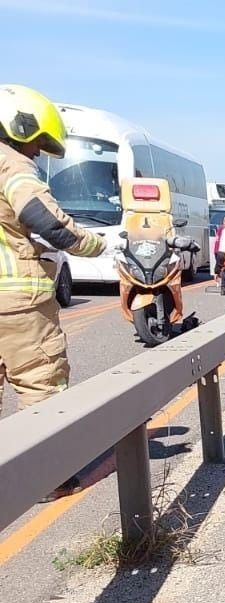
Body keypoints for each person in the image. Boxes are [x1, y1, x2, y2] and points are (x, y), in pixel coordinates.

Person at [0, 84, 107, 501]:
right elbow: (48, 222)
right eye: (37, 145)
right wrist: (97, 246)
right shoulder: (11, 167)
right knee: (41, 382)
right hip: (16, 303)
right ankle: (48, 477)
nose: (37, 155)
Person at [213, 215, 225, 295]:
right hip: (223, 252)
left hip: (217, 251)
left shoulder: (220, 228)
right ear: (224, 222)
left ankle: (223, 287)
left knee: (222, 270)